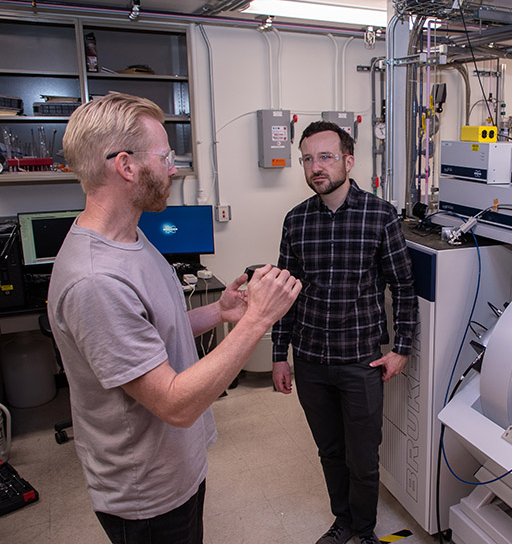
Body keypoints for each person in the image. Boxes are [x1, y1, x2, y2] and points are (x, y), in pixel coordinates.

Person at [48, 92, 302, 544]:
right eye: (165, 157)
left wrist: (219, 312)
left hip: (175, 466)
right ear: (126, 166)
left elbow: (150, 337)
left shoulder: (132, 240)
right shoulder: (95, 280)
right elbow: (173, 403)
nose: (173, 168)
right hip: (147, 492)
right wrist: (256, 321)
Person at [271, 121, 418, 544]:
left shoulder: (380, 215)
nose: (315, 167)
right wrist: (280, 354)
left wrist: (401, 348)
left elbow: (402, 285)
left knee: (363, 457)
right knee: (330, 451)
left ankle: (366, 530)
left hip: (360, 360)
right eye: (307, 159)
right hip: (312, 359)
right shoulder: (296, 220)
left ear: (348, 161)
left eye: (325, 156)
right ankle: (343, 523)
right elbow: (286, 292)